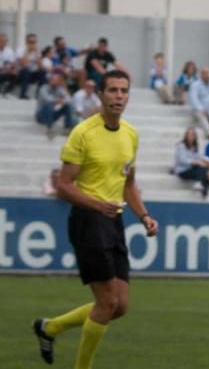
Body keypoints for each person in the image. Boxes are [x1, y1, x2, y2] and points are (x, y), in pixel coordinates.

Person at [33, 70, 158, 368]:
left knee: (120, 305)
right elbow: (63, 185)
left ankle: (49, 328)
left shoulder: (130, 134)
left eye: (123, 91)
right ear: (100, 95)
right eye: (112, 90)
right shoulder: (83, 132)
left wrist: (144, 215)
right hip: (88, 219)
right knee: (107, 303)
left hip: (113, 220)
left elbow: (128, 184)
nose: (118, 96)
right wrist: (95, 204)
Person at [172, 128, 209, 198]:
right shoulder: (181, 146)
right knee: (202, 167)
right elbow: (182, 160)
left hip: (192, 169)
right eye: (189, 135)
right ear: (186, 136)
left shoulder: (194, 147)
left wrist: (208, 160)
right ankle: (200, 184)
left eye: (192, 135)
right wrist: (197, 162)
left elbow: (200, 156)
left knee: (206, 169)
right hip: (182, 170)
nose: (190, 136)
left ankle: (203, 189)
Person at [36, 71, 78, 137]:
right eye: (54, 80)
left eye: (57, 80)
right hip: (41, 115)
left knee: (67, 106)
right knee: (49, 105)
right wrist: (58, 100)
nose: (55, 82)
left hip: (52, 115)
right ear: (50, 80)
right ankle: (49, 128)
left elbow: (69, 99)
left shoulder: (59, 89)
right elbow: (47, 99)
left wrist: (63, 101)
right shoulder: (43, 88)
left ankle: (67, 128)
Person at [16, 32, 46, 99]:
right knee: (26, 71)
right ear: (26, 41)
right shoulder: (20, 49)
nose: (32, 44)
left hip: (32, 73)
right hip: (22, 73)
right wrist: (27, 51)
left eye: (34, 42)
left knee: (42, 72)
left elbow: (40, 66)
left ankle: (39, 95)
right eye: (30, 42)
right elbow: (24, 64)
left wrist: (36, 53)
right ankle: (23, 94)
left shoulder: (37, 50)